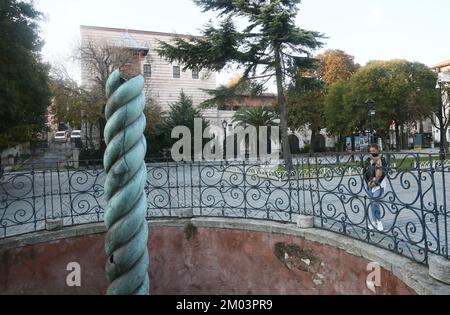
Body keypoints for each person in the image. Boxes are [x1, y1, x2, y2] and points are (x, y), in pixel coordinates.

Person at [363, 144, 388, 232]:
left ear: (377, 150)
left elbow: (384, 172)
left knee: (375, 202)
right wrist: (368, 182)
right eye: (370, 151)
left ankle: (379, 221)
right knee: (371, 203)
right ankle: (373, 222)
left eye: (374, 151)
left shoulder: (382, 159)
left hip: (379, 185)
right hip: (370, 184)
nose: (372, 153)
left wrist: (376, 182)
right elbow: (364, 172)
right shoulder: (368, 160)